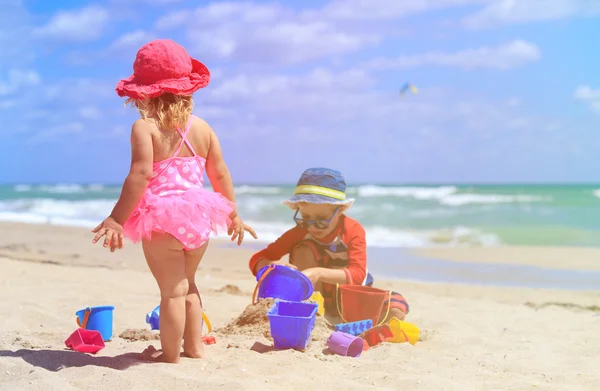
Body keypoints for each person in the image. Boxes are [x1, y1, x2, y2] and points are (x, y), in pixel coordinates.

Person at [91, 39, 257, 363]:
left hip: (162, 219)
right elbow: (220, 174)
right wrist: (232, 214)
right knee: (190, 285)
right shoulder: (203, 129)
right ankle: (193, 348)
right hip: (198, 217)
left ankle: (169, 357)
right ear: (186, 89)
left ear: (144, 92)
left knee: (172, 291)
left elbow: (140, 176)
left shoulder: (145, 128)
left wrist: (116, 219)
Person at [248, 167, 409, 322]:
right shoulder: (299, 232)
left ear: (339, 210)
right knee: (304, 249)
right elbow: (258, 258)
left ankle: (350, 321)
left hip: (350, 300)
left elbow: (358, 274)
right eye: (305, 217)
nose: (311, 225)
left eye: (321, 219)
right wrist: (272, 266)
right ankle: (314, 312)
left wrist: (318, 273)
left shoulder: (352, 230)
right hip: (313, 298)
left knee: (396, 308)